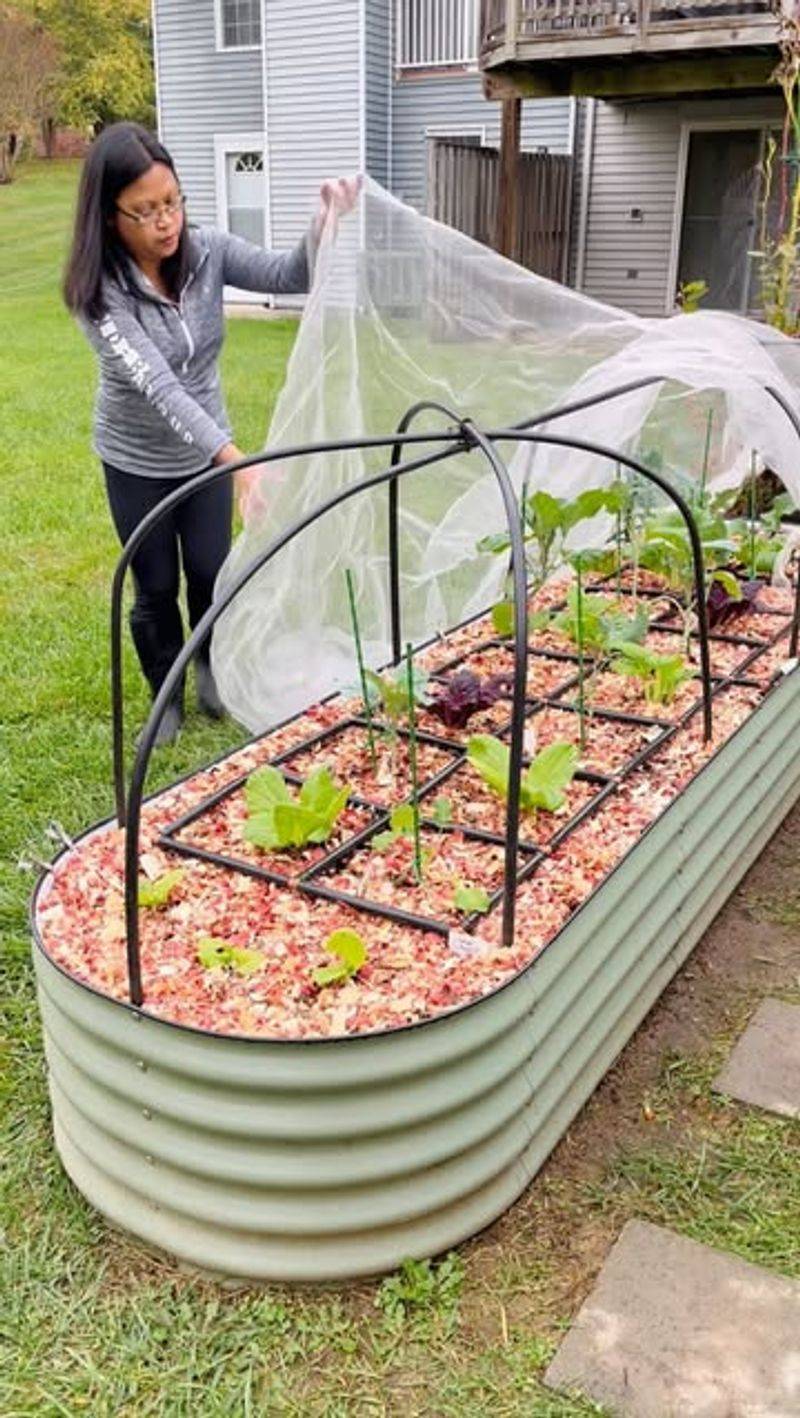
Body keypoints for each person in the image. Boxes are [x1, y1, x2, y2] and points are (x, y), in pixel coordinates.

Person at [64, 120, 357, 745]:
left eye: (172, 202)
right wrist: (238, 460)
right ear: (110, 217)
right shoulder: (100, 295)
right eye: (145, 211)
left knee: (209, 573)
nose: (165, 222)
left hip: (206, 459)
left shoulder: (208, 253)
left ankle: (209, 673)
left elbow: (289, 274)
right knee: (155, 586)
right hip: (136, 460)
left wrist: (323, 222)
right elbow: (159, 386)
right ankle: (165, 696)